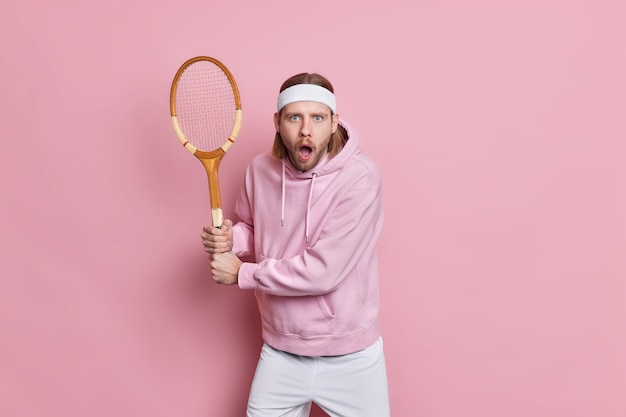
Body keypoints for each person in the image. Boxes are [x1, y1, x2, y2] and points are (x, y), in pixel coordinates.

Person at [201, 72, 390, 417]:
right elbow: (256, 228)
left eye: (317, 118)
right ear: (278, 122)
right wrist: (233, 239)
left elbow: (323, 272)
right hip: (281, 350)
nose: (306, 130)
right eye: (294, 117)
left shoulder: (361, 178)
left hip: (351, 357)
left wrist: (241, 273)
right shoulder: (260, 169)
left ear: (334, 122)